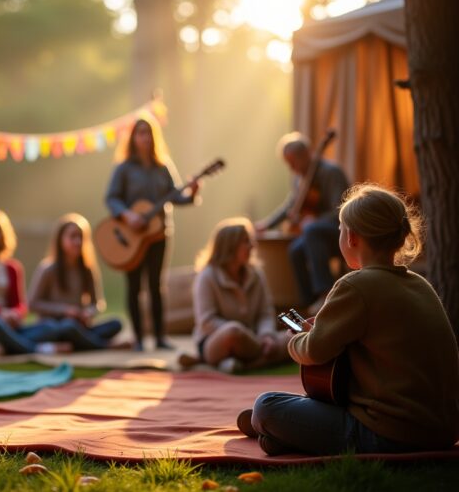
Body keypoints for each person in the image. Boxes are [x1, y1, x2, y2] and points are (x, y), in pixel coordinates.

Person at [244, 184, 459, 456]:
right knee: (301, 405)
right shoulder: (420, 285)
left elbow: (313, 351)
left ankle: (274, 427)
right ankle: (282, 433)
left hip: (392, 432)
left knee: (266, 405)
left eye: (340, 230)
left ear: (353, 238)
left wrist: (296, 340)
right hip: (444, 430)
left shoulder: (356, 285)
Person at [105, 117, 199, 351]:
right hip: (131, 238)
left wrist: (193, 193)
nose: (144, 137)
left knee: (156, 285)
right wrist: (127, 215)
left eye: (148, 132)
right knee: (134, 286)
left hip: (159, 235)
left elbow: (175, 197)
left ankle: (159, 337)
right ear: (133, 137)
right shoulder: (124, 168)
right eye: (140, 133)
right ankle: (138, 338)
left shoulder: (163, 166)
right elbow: (111, 197)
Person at [178, 218, 290, 372]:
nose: (252, 246)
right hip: (217, 341)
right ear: (230, 246)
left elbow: (265, 313)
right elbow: (207, 322)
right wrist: (247, 335)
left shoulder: (256, 275)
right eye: (246, 241)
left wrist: (267, 336)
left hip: (256, 339)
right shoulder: (207, 277)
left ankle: (236, 364)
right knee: (233, 331)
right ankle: (261, 359)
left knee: (295, 336)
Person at [255, 132, 349, 314]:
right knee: (295, 250)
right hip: (315, 234)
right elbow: (289, 207)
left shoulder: (332, 173)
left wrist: (316, 220)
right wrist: (266, 224)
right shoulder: (301, 179)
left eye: (292, 162)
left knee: (312, 230)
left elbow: (342, 209)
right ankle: (309, 303)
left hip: (340, 231)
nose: (290, 168)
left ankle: (326, 295)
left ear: (305, 155)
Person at [0, 206, 66, 356]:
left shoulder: (13, 268)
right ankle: (38, 349)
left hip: (9, 328)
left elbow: (21, 305)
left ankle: (4, 347)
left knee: (49, 327)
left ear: (3, 234)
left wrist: (15, 314)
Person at [28, 213, 124, 351]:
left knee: (116, 323)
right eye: (72, 237)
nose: (78, 242)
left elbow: (98, 303)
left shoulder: (87, 270)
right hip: (55, 326)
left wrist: (88, 312)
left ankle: (79, 343)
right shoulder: (47, 269)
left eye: (81, 237)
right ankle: (103, 346)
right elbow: (32, 304)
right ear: (60, 240)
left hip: (80, 326)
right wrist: (64, 310)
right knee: (67, 327)